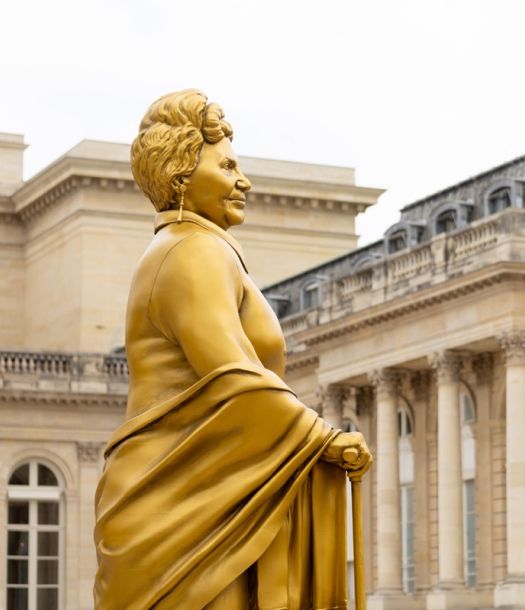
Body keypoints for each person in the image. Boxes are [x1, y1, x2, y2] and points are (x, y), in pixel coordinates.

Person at [94, 89, 372, 610]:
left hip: (201, 489)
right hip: (185, 504)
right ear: (180, 175)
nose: (243, 180)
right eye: (226, 166)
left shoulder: (194, 249)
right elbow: (232, 376)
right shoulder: (190, 251)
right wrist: (323, 439)